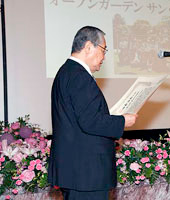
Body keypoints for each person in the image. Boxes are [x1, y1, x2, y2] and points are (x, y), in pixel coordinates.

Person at [48, 26, 138, 200]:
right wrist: (122, 121)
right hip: (86, 173)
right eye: (104, 50)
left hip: (78, 172)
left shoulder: (66, 72)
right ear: (89, 47)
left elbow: (80, 118)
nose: (104, 57)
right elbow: (90, 121)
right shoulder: (79, 76)